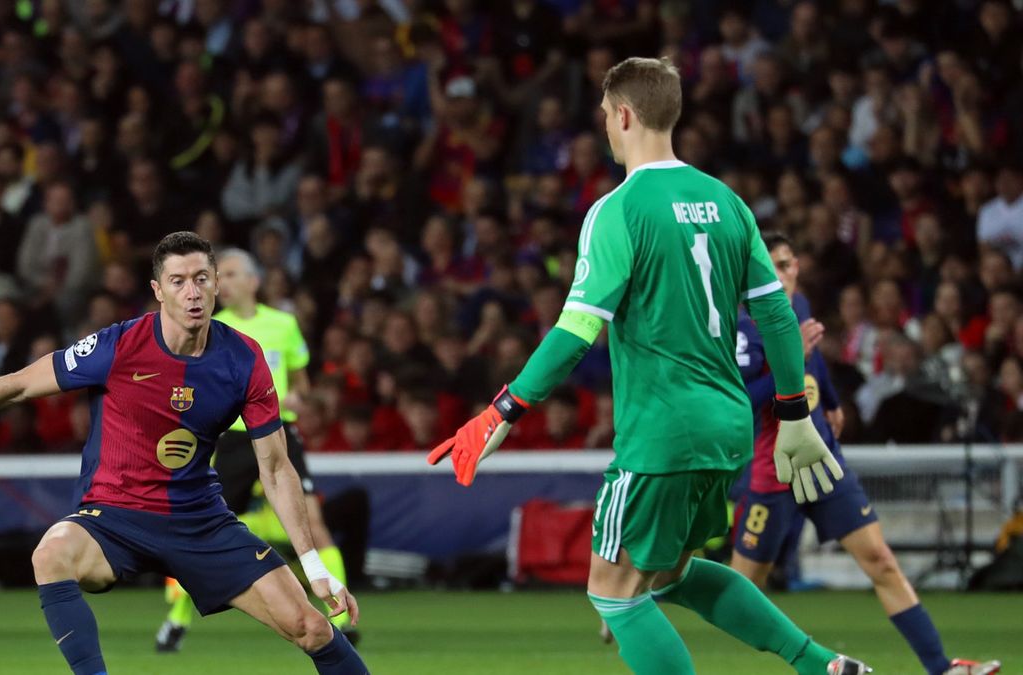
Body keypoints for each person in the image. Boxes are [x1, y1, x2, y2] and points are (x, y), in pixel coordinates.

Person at [428, 56, 867, 675]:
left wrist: (506, 406)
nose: (605, 127)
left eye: (606, 115)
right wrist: (793, 413)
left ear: (625, 114)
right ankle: (820, 663)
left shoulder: (618, 210)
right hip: (729, 427)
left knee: (612, 591)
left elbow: (577, 330)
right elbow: (777, 318)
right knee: (671, 576)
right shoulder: (728, 202)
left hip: (663, 431)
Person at [0, 232, 368, 675]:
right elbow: (19, 386)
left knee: (311, 628)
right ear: (157, 291)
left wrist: (313, 565)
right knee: (51, 553)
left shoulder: (244, 360)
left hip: (199, 521)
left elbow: (276, 468)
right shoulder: (119, 345)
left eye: (201, 279)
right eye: (177, 281)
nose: (191, 292)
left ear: (218, 284)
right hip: (114, 517)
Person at [732, 233, 1000, 675]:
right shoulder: (744, 328)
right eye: (768, 268)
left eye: (785, 265)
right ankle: (647, 595)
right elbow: (741, 401)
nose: (779, 276)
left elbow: (814, 365)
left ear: (797, 266)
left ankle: (942, 668)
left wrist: (832, 401)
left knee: (881, 560)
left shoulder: (798, 310)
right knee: (742, 589)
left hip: (822, 461)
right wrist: (792, 359)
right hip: (775, 471)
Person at [157, 248, 360, 651]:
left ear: (253, 280)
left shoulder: (283, 325)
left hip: (278, 432)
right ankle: (176, 620)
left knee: (312, 521)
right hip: (231, 438)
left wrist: (300, 400)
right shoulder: (213, 328)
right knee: (200, 527)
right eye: (220, 276)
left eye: (230, 274)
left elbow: (300, 382)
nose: (222, 282)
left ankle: (341, 615)